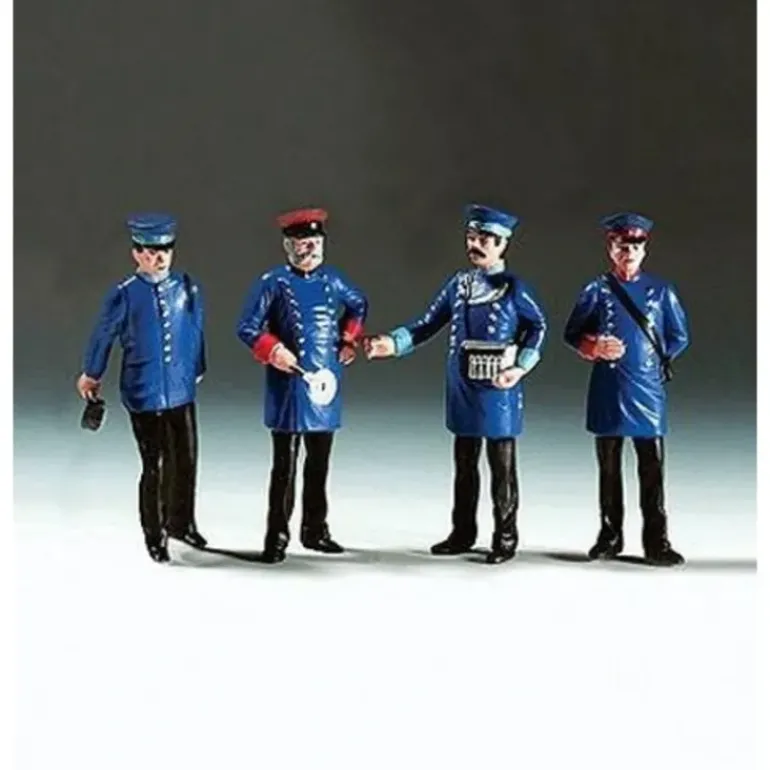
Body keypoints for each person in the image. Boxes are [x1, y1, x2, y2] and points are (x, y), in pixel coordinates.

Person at [365, 204, 547, 564]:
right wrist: (393, 343)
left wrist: (520, 366)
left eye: (484, 239)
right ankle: (462, 532)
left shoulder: (514, 288)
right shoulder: (458, 285)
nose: (475, 245)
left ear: (502, 244)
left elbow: (538, 326)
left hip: (498, 388)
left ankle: (505, 536)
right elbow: (428, 323)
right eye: (471, 237)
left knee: (502, 468)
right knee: (464, 465)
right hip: (463, 386)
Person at [237, 208, 368, 563]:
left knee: (319, 463)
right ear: (287, 246)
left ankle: (315, 530)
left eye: (314, 242)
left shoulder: (333, 280)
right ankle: (277, 537)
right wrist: (273, 350)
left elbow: (358, 305)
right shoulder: (273, 282)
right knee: (285, 466)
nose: (309, 249)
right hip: (289, 387)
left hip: (325, 386)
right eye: (301, 242)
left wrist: (348, 340)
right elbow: (247, 326)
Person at [77, 213, 208, 562]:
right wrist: (92, 373)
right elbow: (103, 335)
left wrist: (197, 366)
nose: (159, 257)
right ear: (137, 253)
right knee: (156, 464)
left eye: (165, 250)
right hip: (144, 390)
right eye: (151, 252)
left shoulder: (186, 287)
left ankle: (182, 522)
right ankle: (155, 534)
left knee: (186, 459)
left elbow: (195, 329)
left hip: (180, 389)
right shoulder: (125, 294)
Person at [563, 212, 690, 566]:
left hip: (647, 391)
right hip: (609, 388)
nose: (629, 251)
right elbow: (572, 333)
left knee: (652, 468)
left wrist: (652, 358)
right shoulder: (596, 290)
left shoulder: (661, 291)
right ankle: (610, 536)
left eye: (636, 245)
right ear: (611, 248)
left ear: (645, 249)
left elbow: (679, 335)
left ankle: (657, 541)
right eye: (622, 245)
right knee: (609, 469)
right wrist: (593, 346)